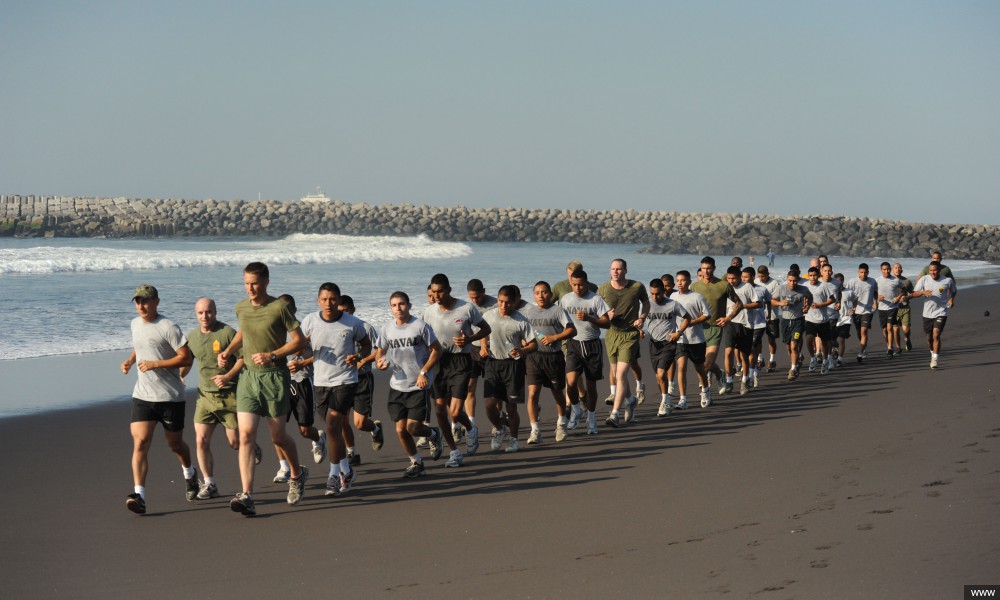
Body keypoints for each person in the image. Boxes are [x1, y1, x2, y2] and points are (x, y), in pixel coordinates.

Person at [218, 262, 309, 517]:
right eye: (246, 283)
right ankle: (247, 494)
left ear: (266, 282)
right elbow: (243, 333)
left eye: (255, 283)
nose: (250, 288)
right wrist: (228, 351)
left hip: (275, 378)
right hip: (248, 378)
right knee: (246, 435)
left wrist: (272, 355)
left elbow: (299, 341)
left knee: (278, 437)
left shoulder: (279, 308)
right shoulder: (241, 308)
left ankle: (297, 473)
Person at [120, 284, 196, 515]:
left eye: (145, 301)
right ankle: (139, 494)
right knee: (141, 442)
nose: (141, 305)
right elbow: (140, 344)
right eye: (137, 301)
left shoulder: (168, 326)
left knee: (175, 444)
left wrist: (155, 364)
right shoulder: (135, 323)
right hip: (143, 395)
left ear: (157, 302)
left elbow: (186, 357)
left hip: (170, 397)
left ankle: (189, 472)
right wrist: (131, 360)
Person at [300, 283, 372, 497]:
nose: (328, 303)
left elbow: (366, 344)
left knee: (332, 426)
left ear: (339, 300)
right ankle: (347, 471)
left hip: (346, 380)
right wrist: (298, 354)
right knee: (334, 431)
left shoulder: (352, 323)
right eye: (324, 299)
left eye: (333, 299)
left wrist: (358, 356)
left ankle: (333, 475)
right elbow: (300, 344)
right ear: (318, 300)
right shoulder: (310, 321)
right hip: (320, 382)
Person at [181, 297, 254, 501]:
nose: (205, 316)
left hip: (229, 396)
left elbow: (243, 358)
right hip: (204, 397)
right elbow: (188, 361)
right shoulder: (192, 337)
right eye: (201, 313)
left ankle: (250, 445)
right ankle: (210, 483)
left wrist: (228, 376)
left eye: (209, 312)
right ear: (196, 314)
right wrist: (181, 375)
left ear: (215, 312)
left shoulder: (227, 333)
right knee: (201, 440)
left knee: (235, 443)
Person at [374, 291, 445, 477]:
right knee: (400, 429)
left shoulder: (420, 326)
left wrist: (424, 372)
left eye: (402, 304)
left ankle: (434, 434)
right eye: (394, 305)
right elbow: (380, 351)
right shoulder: (387, 328)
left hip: (418, 385)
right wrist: (380, 363)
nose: (398, 308)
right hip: (397, 386)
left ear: (409, 305)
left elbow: (437, 350)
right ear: (391, 308)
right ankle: (416, 462)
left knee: (412, 428)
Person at [424, 274, 491, 466]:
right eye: (434, 292)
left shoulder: (466, 308)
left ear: (449, 289)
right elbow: (423, 338)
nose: (437, 295)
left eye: (440, 291)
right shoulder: (429, 312)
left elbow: (486, 329)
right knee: (439, 410)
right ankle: (454, 452)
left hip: (461, 360)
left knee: (454, 412)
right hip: (437, 362)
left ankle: (470, 429)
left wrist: (469, 339)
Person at [480, 285, 538, 452]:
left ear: (514, 302)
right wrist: (484, 346)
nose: (503, 306)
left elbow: (533, 345)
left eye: (507, 303)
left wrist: (522, 350)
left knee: (511, 407)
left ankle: (513, 439)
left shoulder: (521, 320)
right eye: (500, 301)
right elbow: (484, 332)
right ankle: (499, 428)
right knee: (489, 404)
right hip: (493, 362)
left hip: (513, 365)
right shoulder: (489, 315)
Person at [277, 294, 327, 483]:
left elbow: (319, 355)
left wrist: (302, 355)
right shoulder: (273, 330)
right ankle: (284, 468)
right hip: (280, 383)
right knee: (277, 429)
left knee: (304, 430)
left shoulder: (303, 329)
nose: (284, 312)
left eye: (288, 308)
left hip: (302, 381)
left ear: (295, 310)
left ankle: (318, 439)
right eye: (281, 308)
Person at [521, 281, 576, 443]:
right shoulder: (529, 311)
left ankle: (561, 423)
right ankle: (535, 431)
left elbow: (572, 330)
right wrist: (524, 342)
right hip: (533, 358)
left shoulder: (558, 311)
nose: (541, 296)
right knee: (532, 394)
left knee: (557, 393)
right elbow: (525, 331)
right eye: (537, 293)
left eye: (544, 292)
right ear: (533, 295)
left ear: (550, 294)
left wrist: (554, 337)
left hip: (553, 357)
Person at [558, 268, 611, 434]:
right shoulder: (566, 299)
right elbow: (560, 320)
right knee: (571, 383)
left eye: (580, 285)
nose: (577, 288)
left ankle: (592, 417)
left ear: (586, 283)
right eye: (574, 285)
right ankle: (576, 409)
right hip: (573, 344)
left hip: (592, 344)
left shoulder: (595, 299)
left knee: (591, 384)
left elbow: (607, 323)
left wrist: (590, 318)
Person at [598, 259, 650, 427]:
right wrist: (606, 316)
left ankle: (615, 414)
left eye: (619, 269)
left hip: (630, 335)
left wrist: (642, 318)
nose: (616, 272)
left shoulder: (636, 287)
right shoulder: (604, 288)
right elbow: (597, 309)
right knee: (616, 374)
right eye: (613, 269)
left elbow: (646, 303)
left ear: (625, 270)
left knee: (621, 375)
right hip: (611, 334)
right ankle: (630, 400)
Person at [338, 294, 384, 466]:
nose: (344, 314)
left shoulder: (365, 327)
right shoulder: (335, 328)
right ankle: (352, 452)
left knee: (359, 423)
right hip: (342, 380)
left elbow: (379, 350)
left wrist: (362, 360)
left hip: (363, 378)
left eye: (346, 311)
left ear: (353, 310)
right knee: (342, 420)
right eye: (340, 311)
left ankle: (375, 428)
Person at [692, 256, 743, 395]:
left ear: (714, 268)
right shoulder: (694, 287)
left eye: (709, 268)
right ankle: (719, 374)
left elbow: (739, 304)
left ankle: (705, 393)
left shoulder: (723, 285)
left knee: (706, 365)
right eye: (703, 268)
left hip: (715, 328)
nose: (706, 271)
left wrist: (728, 318)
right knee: (701, 363)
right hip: (698, 328)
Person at [643, 278, 690, 416]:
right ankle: (667, 399)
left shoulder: (673, 304)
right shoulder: (647, 304)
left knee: (661, 373)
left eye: (657, 294)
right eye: (652, 293)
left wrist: (679, 332)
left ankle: (664, 402)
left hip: (668, 343)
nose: (655, 297)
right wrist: (639, 329)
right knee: (658, 377)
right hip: (653, 343)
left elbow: (687, 317)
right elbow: (642, 319)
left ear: (664, 291)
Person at [669, 271, 712, 408]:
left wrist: (692, 322)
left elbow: (707, 315)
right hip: (680, 339)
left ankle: (705, 392)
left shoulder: (697, 297)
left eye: (682, 280)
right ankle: (683, 399)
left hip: (696, 339)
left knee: (700, 368)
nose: (679, 283)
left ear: (689, 281)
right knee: (681, 368)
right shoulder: (673, 296)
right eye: (678, 280)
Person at [718, 266, 758, 395]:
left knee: (743, 355)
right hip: (730, 323)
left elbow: (758, 303)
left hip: (745, 324)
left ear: (740, 276)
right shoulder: (725, 287)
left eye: (733, 278)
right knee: (728, 352)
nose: (731, 281)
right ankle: (729, 381)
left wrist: (742, 306)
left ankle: (745, 380)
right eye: (729, 278)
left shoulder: (747, 287)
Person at [910, 262, 957, 369]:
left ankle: (935, 359)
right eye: (931, 270)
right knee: (929, 337)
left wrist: (951, 299)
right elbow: (914, 293)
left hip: (941, 312)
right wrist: (922, 292)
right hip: (927, 313)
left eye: (935, 270)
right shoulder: (924, 279)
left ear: (939, 270)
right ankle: (932, 352)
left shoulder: (947, 280)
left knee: (936, 334)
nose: (932, 272)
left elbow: (954, 291)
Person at [464, 278, 497, 429]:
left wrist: (486, 344)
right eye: (472, 297)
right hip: (472, 350)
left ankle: (498, 420)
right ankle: (471, 423)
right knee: (469, 387)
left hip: (492, 350)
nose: (475, 300)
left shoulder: (495, 304)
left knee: (495, 389)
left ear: (484, 291)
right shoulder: (466, 306)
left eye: (477, 296)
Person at [772, 272, 813, 380]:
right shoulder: (781, 288)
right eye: (790, 280)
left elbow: (810, 297)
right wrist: (780, 303)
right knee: (788, 347)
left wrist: (807, 307)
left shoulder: (803, 289)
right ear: (787, 279)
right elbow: (772, 301)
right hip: (785, 320)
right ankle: (795, 362)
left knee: (794, 345)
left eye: (795, 281)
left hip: (798, 320)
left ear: (798, 280)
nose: (792, 283)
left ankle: (793, 369)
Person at [803, 267, 836, 375]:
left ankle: (825, 361)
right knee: (808, 338)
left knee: (825, 343)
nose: (812, 278)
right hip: (809, 318)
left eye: (815, 275)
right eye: (810, 275)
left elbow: (832, 299)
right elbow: (801, 298)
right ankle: (812, 358)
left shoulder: (823, 286)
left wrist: (820, 305)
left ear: (818, 276)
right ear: (808, 276)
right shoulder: (805, 286)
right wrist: (804, 306)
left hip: (823, 320)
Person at [846, 264, 878, 363]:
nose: (863, 274)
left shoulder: (872, 281)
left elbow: (875, 293)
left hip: (867, 311)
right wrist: (850, 310)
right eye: (861, 272)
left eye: (865, 272)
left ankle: (861, 352)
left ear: (868, 272)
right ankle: (864, 346)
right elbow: (847, 297)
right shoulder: (852, 282)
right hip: (855, 311)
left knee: (864, 331)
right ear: (858, 272)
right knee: (858, 331)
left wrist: (876, 302)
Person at [874, 262, 904, 359]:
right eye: (884, 269)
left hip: (892, 307)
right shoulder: (877, 280)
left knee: (889, 327)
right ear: (881, 270)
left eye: (888, 269)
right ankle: (889, 344)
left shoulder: (896, 280)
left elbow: (903, 289)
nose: (886, 271)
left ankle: (890, 348)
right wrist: (877, 296)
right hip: (881, 308)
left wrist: (898, 297)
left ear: (890, 269)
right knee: (884, 330)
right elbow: (872, 292)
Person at [755, 265, 782, 372]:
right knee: (758, 339)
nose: (761, 279)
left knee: (771, 339)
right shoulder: (755, 281)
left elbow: (774, 299)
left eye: (763, 276)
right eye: (760, 276)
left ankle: (772, 360)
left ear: (768, 274)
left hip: (772, 316)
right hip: (758, 316)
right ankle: (760, 358)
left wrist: (765, 299)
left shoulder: (774, 283)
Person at [833, 273, 856, 368]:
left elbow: (852, 302)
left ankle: (840, 359)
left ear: (843, 281)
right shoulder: (832, 292)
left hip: (846, 319)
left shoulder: (849, 292)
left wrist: (851, 312)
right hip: (834, 318)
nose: (838, 284)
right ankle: (835, 348)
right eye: (836, 282)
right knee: (832, 340)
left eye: (840, 281)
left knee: (841, 339)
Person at [892, 264, 915, 352]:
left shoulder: (906, 281)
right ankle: (898, 348)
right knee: (896, 329)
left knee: (906, 329)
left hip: (904, 308)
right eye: (896, 268)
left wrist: (907, 297)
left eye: (899, 268)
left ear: (902, 270)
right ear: (892, 270)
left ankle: (907, 339)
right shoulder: (889, 281)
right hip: (893, 309)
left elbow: (912, 293)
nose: (897, 269)